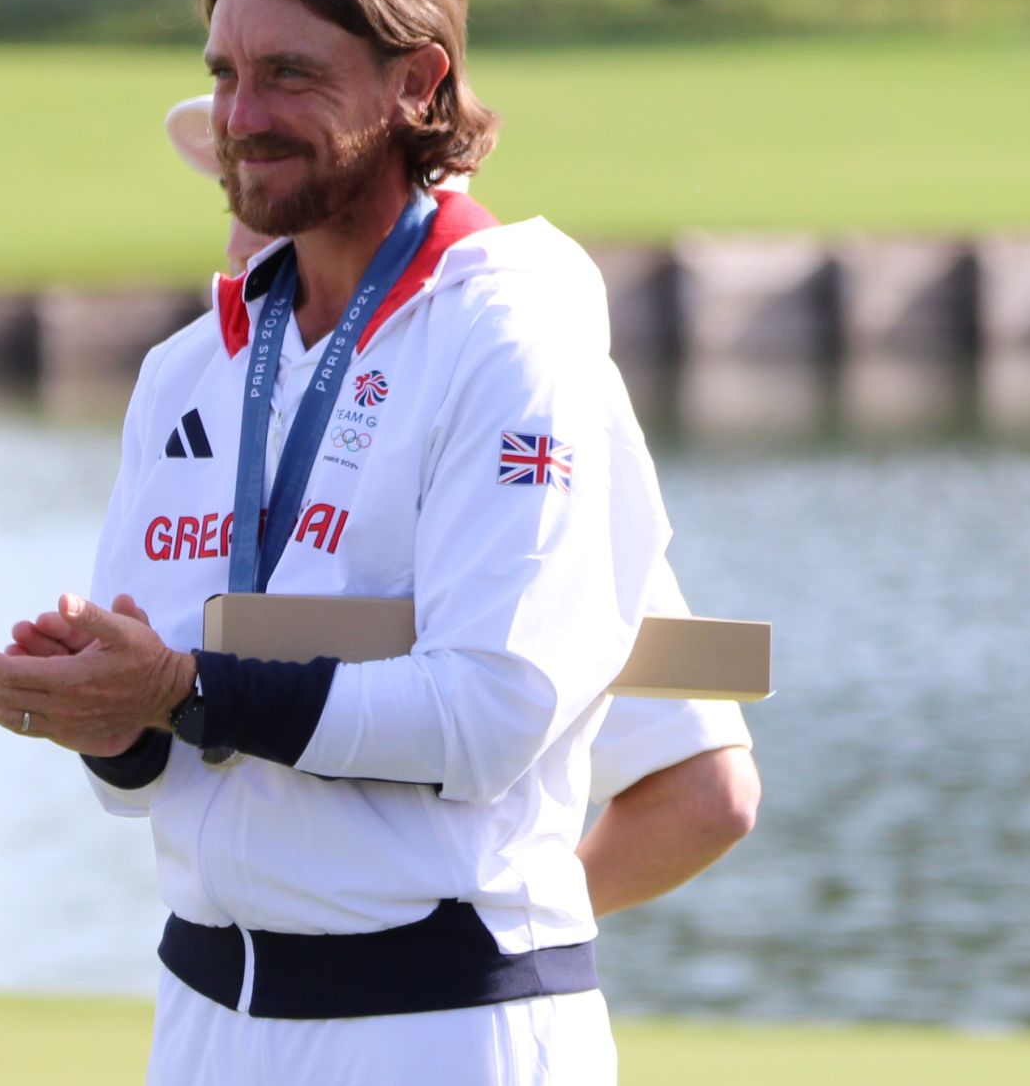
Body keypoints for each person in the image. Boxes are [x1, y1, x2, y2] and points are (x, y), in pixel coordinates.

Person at [0, 0, 666, 1086]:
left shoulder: (510, 343)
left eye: (289, 73)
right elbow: (160, 767)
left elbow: (492, 712)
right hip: (212, 1028)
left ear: (416, 83)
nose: (239, 115)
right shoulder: (188, 374)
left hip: (440, 1035)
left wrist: (185, 691)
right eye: (222, 71)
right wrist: (103, 718)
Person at [165, 95, 761, 915]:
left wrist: (479, 935)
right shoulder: (231, 403)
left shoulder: (509, 391)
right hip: (235, 1011)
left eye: (279, 215)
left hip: (418, 1018)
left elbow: (705, 789)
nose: (238, 242)